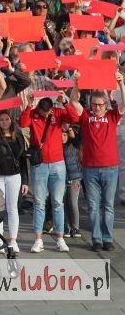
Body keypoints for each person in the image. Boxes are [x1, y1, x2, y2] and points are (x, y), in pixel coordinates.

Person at [70, 74, 125, 252]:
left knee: (108, 205)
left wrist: (121, 83)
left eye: (101, 104)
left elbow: (124, 104)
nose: (98, 107)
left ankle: (107, 238)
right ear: (90, 104)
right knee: (93, 206)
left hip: (110, 167)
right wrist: (77, 84)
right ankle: (96, 239)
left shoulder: (112, 116)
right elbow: (73, 101)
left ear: (106, 104)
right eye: (94, 104)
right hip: (90, 168)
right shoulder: (86, 117)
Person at [20, 92, 80, 253]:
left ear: (51, 110)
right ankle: (38, 240)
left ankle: (60, 239)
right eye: (42, 113)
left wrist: (65, 102)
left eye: (46, 113)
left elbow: (75, 119)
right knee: (39, 203)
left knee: (57, 202)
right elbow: (23, 123)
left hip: (58, 164)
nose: (44, 116)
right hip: (39, 164)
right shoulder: (33, 113)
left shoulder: (59, 113)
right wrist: (29, 105)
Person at [0, 110, 29, 254]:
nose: (4, 122)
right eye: (1, 120)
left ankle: (13, 240)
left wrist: (25, 181)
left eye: (6, 119)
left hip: (14, 176)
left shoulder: (18, 135)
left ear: (11, 120)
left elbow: (22, 159)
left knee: (12, 208)